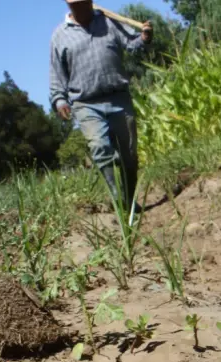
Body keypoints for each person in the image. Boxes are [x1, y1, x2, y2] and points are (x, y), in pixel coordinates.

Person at [50, 0, 153, 219]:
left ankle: (129, 201)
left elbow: (132, 44)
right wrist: (59, 100)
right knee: (100, 149)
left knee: (129, 155)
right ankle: (118, 201)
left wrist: (144, 38)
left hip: (119, 98)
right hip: (86, 103)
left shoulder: (110, 23)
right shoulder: (60, 35)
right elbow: (56, 73)